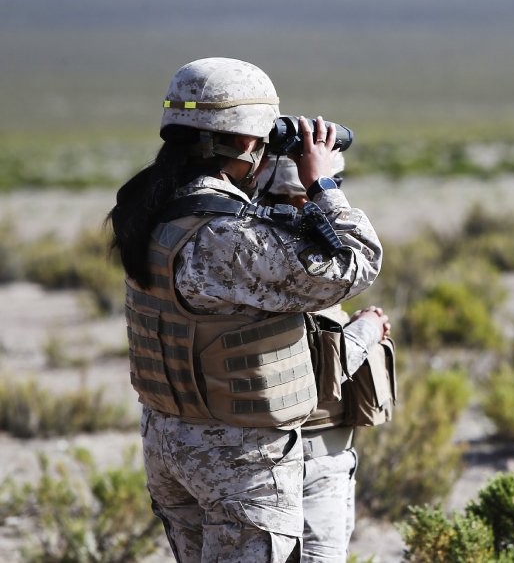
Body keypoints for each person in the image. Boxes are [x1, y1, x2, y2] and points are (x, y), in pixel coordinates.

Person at [108, 57, 382, 562]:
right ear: (251, 142)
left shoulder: (148, 208)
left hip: (172, 441)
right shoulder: (227, 237)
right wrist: (323, 186)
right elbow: (353, 265)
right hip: (236, 458)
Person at [257, 154, 392, 562]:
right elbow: (314, 376)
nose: (303, 209)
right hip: (311, 456)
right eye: (294, 197)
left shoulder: (244, 253)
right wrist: (367, 329)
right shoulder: (290, 267)